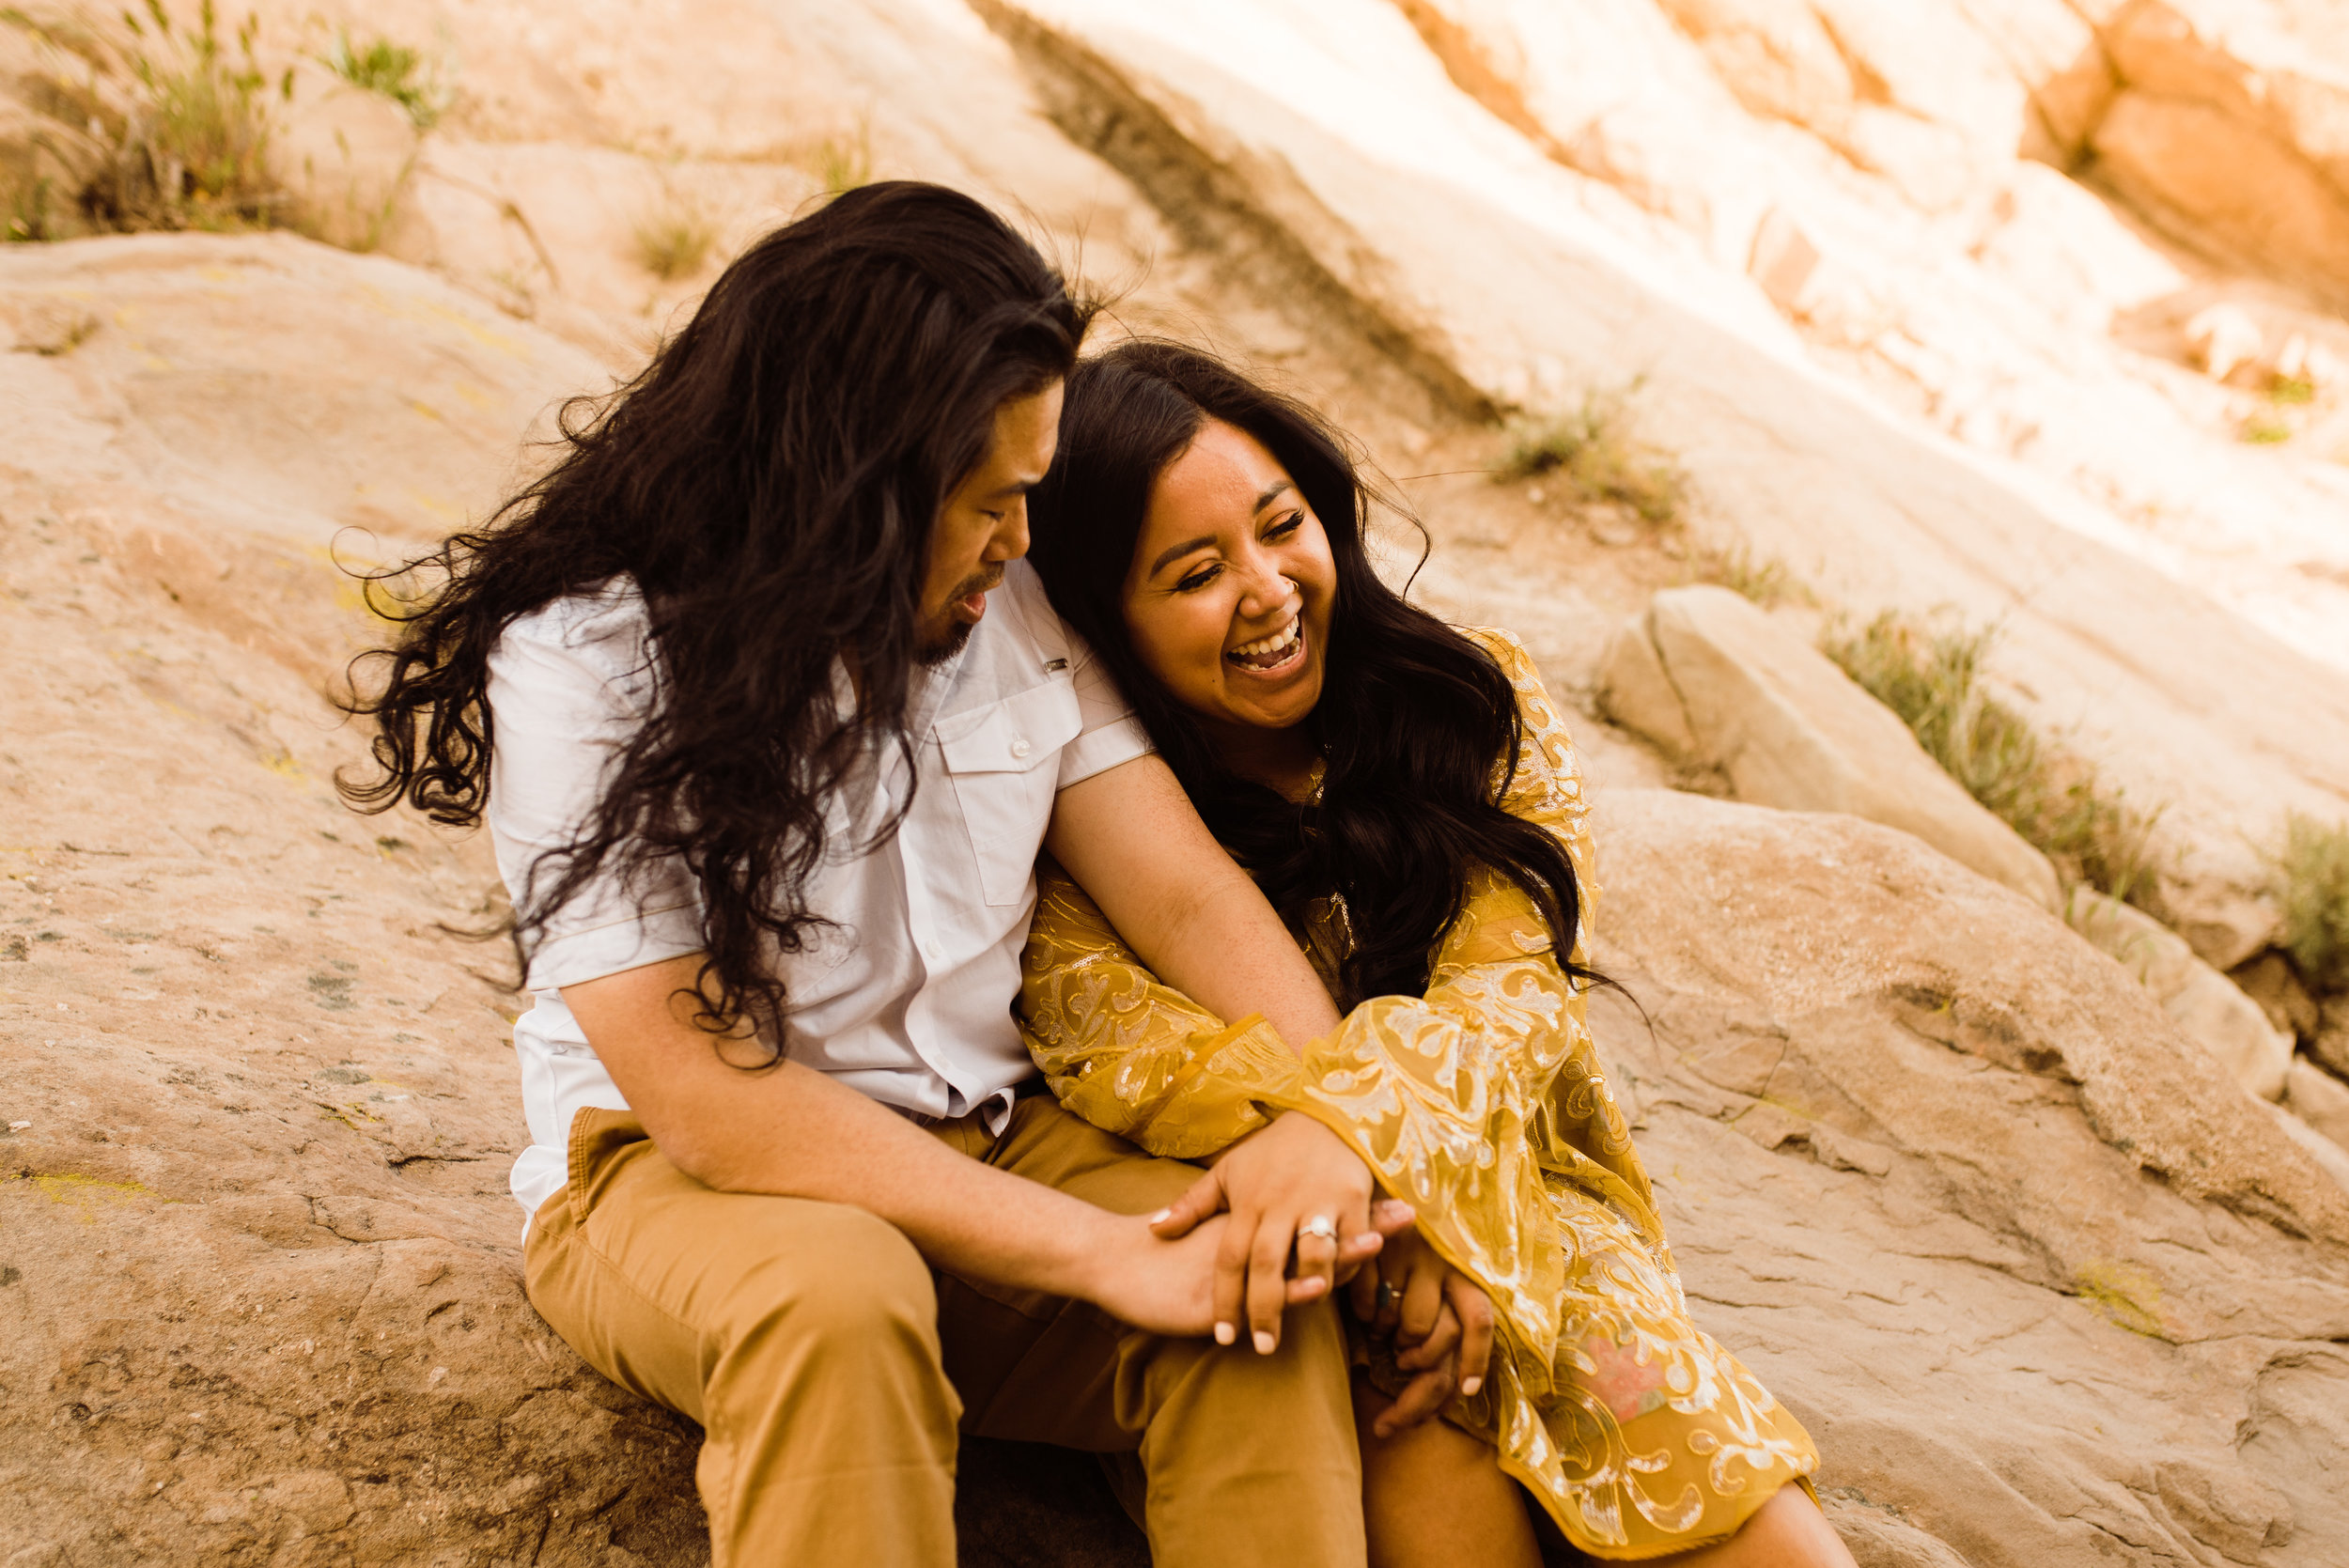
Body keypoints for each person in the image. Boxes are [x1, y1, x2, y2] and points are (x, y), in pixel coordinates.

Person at [338, 185, 1407, 1567]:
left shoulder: (1006, 596)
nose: (1024, 541)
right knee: (840, 1301)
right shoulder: (587, 654)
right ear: (856, 479)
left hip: (998, 1136)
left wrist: (1331, 1123)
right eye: (991, 501)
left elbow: (1187, 895)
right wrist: (1103, 1254)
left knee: (1258, 1301)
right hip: (680, 1181)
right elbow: (704, 1103)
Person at [1019, 340, 1858, 1567]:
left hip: (1538, 1213)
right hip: (1325, 1264)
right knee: (1413, 1418)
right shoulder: (1095, 825)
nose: (1266, 589)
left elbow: (1507, 998)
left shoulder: (1468, 703)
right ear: (1105, 626)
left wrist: (1409, 1186)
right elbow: (1136, 1061)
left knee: (1727, 1489)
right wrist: (1388, 1233)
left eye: (1281, 524)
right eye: (1196, 573)